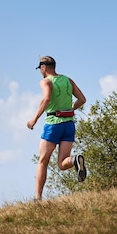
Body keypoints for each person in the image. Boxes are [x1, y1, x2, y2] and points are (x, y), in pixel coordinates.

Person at [26, 55, 87, 201]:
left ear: (43, 67)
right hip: (69, 125)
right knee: (62, 163)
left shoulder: (46, 81)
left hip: (53, 124)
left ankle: (38, 198)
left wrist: (34, 119)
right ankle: (74, 160)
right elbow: (82, 99)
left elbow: (46, 98)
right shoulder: (68, 80)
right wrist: (70, 108)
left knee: (43, 161)